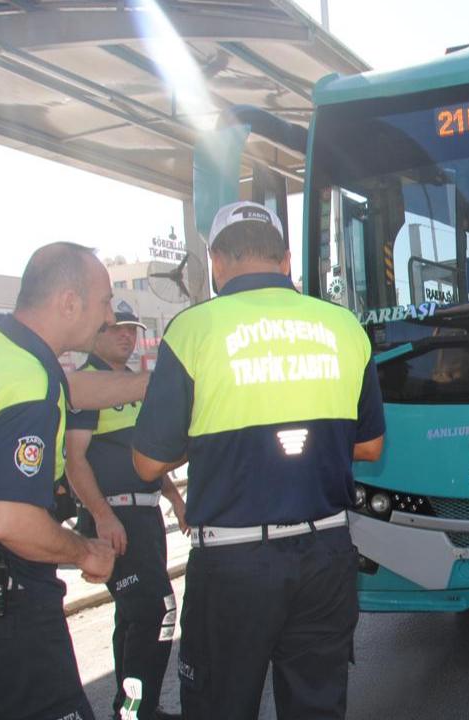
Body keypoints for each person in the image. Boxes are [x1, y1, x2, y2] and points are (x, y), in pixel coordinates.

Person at [132, 201, 386, 719]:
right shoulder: (343, 328)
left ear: (217, 261)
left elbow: (145, 464)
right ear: (287, 260)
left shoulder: (192, 331)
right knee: (316, 705)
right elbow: (371, 446)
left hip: (233, 563)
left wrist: (214, 440)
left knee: (220, 705)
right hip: (326, 554)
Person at [0, 242, 119, 718]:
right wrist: (84, 552)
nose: (108, 317)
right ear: (69, 303)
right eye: (104, 302)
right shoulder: (29, 386)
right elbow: (7, 519)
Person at [67, 307, 186, 720]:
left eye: (132, 330)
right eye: (116, 329)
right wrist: (102, 516)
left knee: (133, 616)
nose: (126, 337)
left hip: (146, 517)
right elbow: (74, 460)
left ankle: (133, 709)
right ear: (96, 335)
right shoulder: (87, 385)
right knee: (158, 609)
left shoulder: (137, 385)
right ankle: (136, 709)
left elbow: (146, 456)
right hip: (115, 519)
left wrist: (174, 498)